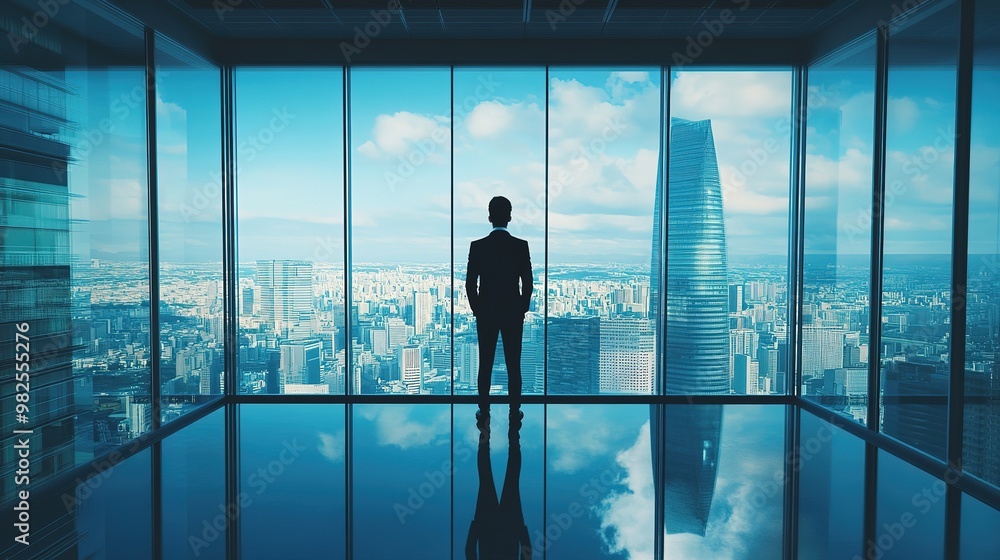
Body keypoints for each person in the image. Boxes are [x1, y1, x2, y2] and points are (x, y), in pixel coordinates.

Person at [465, 196, 533, 414]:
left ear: (489, 217)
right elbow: (528, 282)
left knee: (485, 363)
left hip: (487, 313)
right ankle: (515, 409)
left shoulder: (478, 247)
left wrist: (478, 309)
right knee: (514, 364)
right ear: (510, 217)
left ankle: (483, 409)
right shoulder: (520, 246)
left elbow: (469, 284)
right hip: (512, 312)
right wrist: (522, 307)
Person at [465, 410, 531, 559]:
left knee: (511, 476)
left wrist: (520, 530)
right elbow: (469, 551)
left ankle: (513, 428)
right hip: (488, 524)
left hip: (508, 524)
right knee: (486, 474)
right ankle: (485, 427)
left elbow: (527, 554)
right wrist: (476, 528)